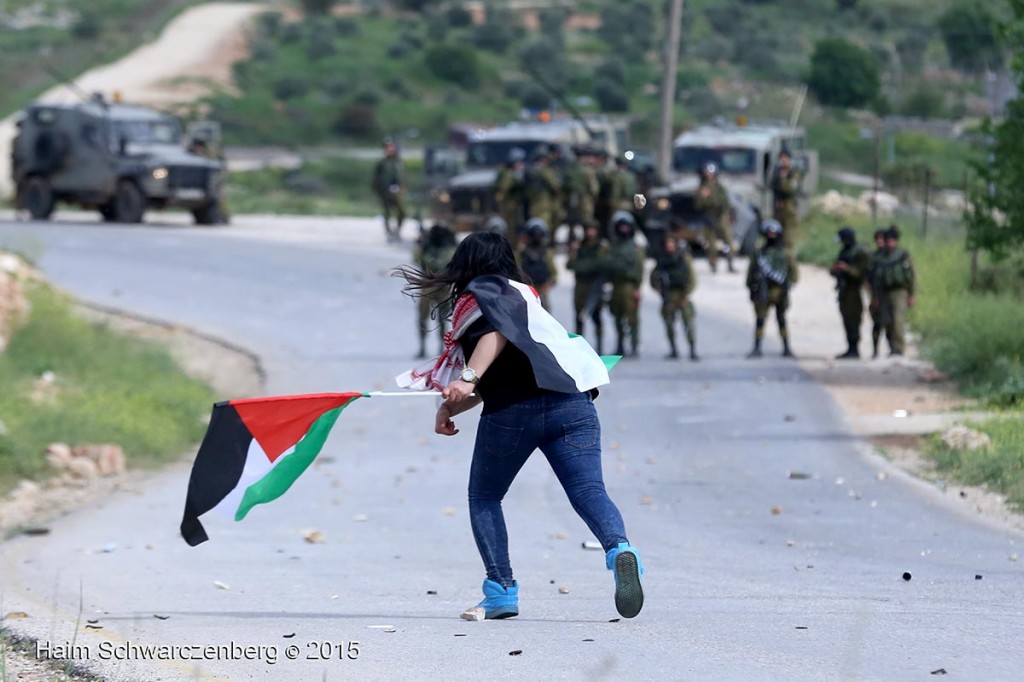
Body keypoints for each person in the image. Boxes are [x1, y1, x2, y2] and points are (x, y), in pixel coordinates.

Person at [394, 232, 645, 620]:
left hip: (515, 413)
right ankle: (619, 549)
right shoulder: (525, 297)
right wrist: (452, 407)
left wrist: (468, 377)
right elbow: (505, 363)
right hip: (573, 404)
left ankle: (501, 590)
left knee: (484, 497)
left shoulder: (485, 291)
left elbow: (494, 336)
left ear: (466, 263)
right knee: (587, 489)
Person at [746, 219, 798, 358]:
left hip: (780, 292)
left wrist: (787, 285)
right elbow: (751, 273)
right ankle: (757, 347)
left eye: (773, 234)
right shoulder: (759, 254)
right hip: (763, 292)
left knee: (781, 319)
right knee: (760, 320)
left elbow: (794, 274)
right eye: (768, 234)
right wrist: (752, 289)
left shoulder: (785, 253)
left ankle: (786, 348)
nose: (771, 236)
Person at [413, 222, 458, 358]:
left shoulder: (448, 250)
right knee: (426, 319)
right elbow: (418, 260)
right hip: (433, 287)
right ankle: (425, 347)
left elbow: (426, 262)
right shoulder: (445, 249)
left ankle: (440, 348)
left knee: (441, 319)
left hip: (438, 287)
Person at [651, 234, 698, 360]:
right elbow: (653, 278)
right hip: (668, 295)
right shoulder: (662, 260)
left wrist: (686, 294)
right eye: (667, 243)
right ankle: (673, 350)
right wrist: (659, 286)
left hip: (682, 295)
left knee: (688, 323)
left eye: (672, 243)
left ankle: (692, 350)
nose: (669, 246)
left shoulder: (683, 258)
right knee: (669, 324)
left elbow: (692, 278)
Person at [567, 220, 611, 354]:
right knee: (579, 317)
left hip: (595, 285)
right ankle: (578, 348)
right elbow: (570, 265)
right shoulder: (578, 247)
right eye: (588, 229)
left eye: (593, 229)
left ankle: (599, 347)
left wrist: (586, 266)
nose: (590, 233)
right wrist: (575, 254)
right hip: (581, 286)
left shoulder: (601, 246)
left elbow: (603, 264)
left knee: (596, 316)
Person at [829, 227, 871, 359]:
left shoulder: (859, 253)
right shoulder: (845, 251)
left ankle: (855, 348)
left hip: (854, 290)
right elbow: (834, 270)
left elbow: (861, 273)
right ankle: (850, 347)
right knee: (846, 318)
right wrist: (836, 269)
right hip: (844, 290)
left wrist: (847, 269)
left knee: (854, 318)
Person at [607, 211, 644, 358]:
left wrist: (637, 288)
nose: (623, 230)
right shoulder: (613, 247)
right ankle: (620, 345)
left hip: (629, 287)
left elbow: (639, 269)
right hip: (616, 286)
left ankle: (634, 345)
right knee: (617, 317)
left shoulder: (635, 248)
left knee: (632, 318)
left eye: (626, 227)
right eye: (621, 227)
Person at [875, 226, 916, 357]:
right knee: (887, 322)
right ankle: (892, 347)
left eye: (892, 240)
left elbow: (911, 276)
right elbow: (875, 278)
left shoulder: (902, 255)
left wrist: (911, 294)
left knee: (898, 321)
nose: (890, 243)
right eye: (888, 240)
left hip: (900, 291)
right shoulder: (880, 258)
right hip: (884, 292)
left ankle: (899, 348)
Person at [693, 162, 736, 274]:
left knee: (728, 240)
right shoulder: (702, 188)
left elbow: (725, 202)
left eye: (711, 173)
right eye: (707, 172)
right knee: (710, 243)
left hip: (721, 216)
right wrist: (705, 198)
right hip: (709, 217)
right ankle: (713, 264)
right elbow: (698, 205)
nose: (709, 175)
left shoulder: (720, 187)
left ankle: (730, 262)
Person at [517, 218, 557, 311]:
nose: (536, 237)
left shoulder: (547, 253)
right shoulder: (522, 253)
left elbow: (554, 274)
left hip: (542, 291)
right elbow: (516, 270)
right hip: (526, 292)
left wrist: (548, 285)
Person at [372, 137, 406, 243]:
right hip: (385, 191)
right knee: (387, 212)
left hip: (397, 191)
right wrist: (380, 191)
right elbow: (377, 179)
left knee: (402, 213)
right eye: (388, 147)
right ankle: (389, 233)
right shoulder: (382, 163)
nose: (390, 149)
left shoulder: (398, 162)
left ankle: (397, 231)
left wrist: (400, 187)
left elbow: (402, 176)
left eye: (392, 147)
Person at [523, 146, 560, 235]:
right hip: (544, 202)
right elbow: (555, 185)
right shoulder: (546, 171)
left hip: (532, 201)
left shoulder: (529, 170)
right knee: (545, 224)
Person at [769, 150, 802, 250]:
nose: (783, 161)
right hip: (778, 210)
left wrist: (783, 179)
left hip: (789, 212)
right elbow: (772, 186)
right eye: (781, 158)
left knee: (787, 241)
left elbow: (790, 189)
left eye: (786, 158)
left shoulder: (794, 173)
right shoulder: (776, 172)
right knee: (775, 239)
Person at [865, 228, 890, 358]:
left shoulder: (891, 256)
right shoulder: (874, 258)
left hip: (890, 295)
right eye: (878, 239)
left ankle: (894, 349)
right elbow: (869, 277)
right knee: (877, 323)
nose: (880, 242)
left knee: (891, 323)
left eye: (882, 239)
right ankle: (875, 350)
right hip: (877, 294)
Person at [494, 148, 526, 235]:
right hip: (509, 204)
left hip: (513, 204)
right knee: (510, 225)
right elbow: (504, 187)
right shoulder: (509, 174)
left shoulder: (511, 173)